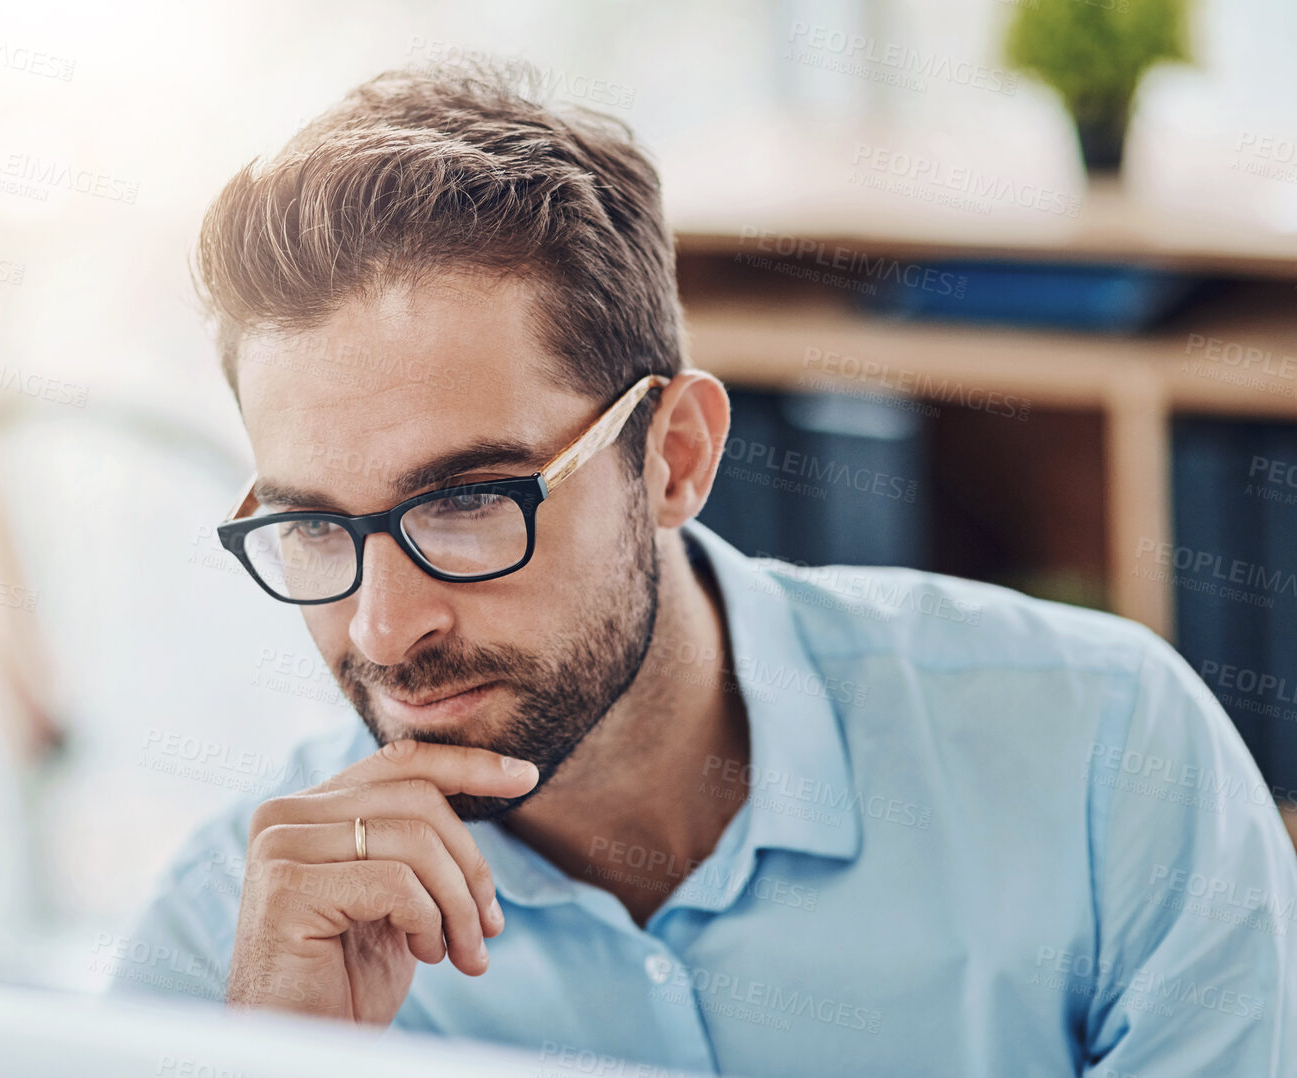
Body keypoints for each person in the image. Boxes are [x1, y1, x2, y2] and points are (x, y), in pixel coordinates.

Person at [108, 62, 1297, 1076]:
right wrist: (273, 1057)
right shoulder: (237, 938)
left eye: (466, 502)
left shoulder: (1107, 760)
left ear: (674, 455)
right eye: (316, 525)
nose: (380, 628)